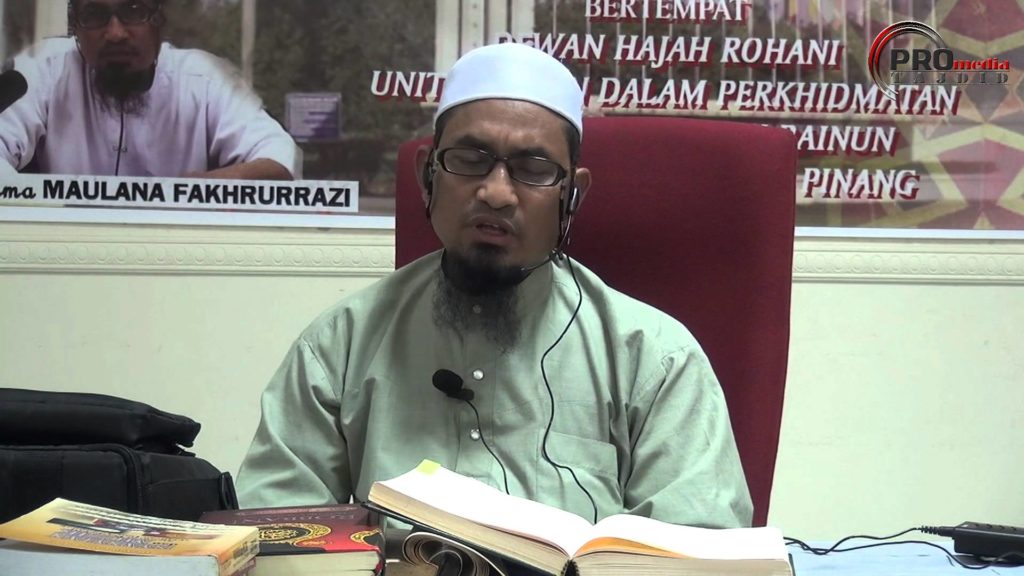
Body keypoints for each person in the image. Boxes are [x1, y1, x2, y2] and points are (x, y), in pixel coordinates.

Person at [236, 42, 752, 529]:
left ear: (572, 195)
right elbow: (275, 535)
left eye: (533, 169)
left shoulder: (655, 361)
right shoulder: (339, 348)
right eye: (469, 159)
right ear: (427, 176)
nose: (497, 193)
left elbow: (700, 550)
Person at [0, 0, 300, 179]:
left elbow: (278, 157)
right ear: (75, 26)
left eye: (133, 11)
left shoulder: (203, 80)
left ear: (158, 20)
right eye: (94, 15)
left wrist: (198, 190)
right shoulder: (44, 71)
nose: (115, 33)